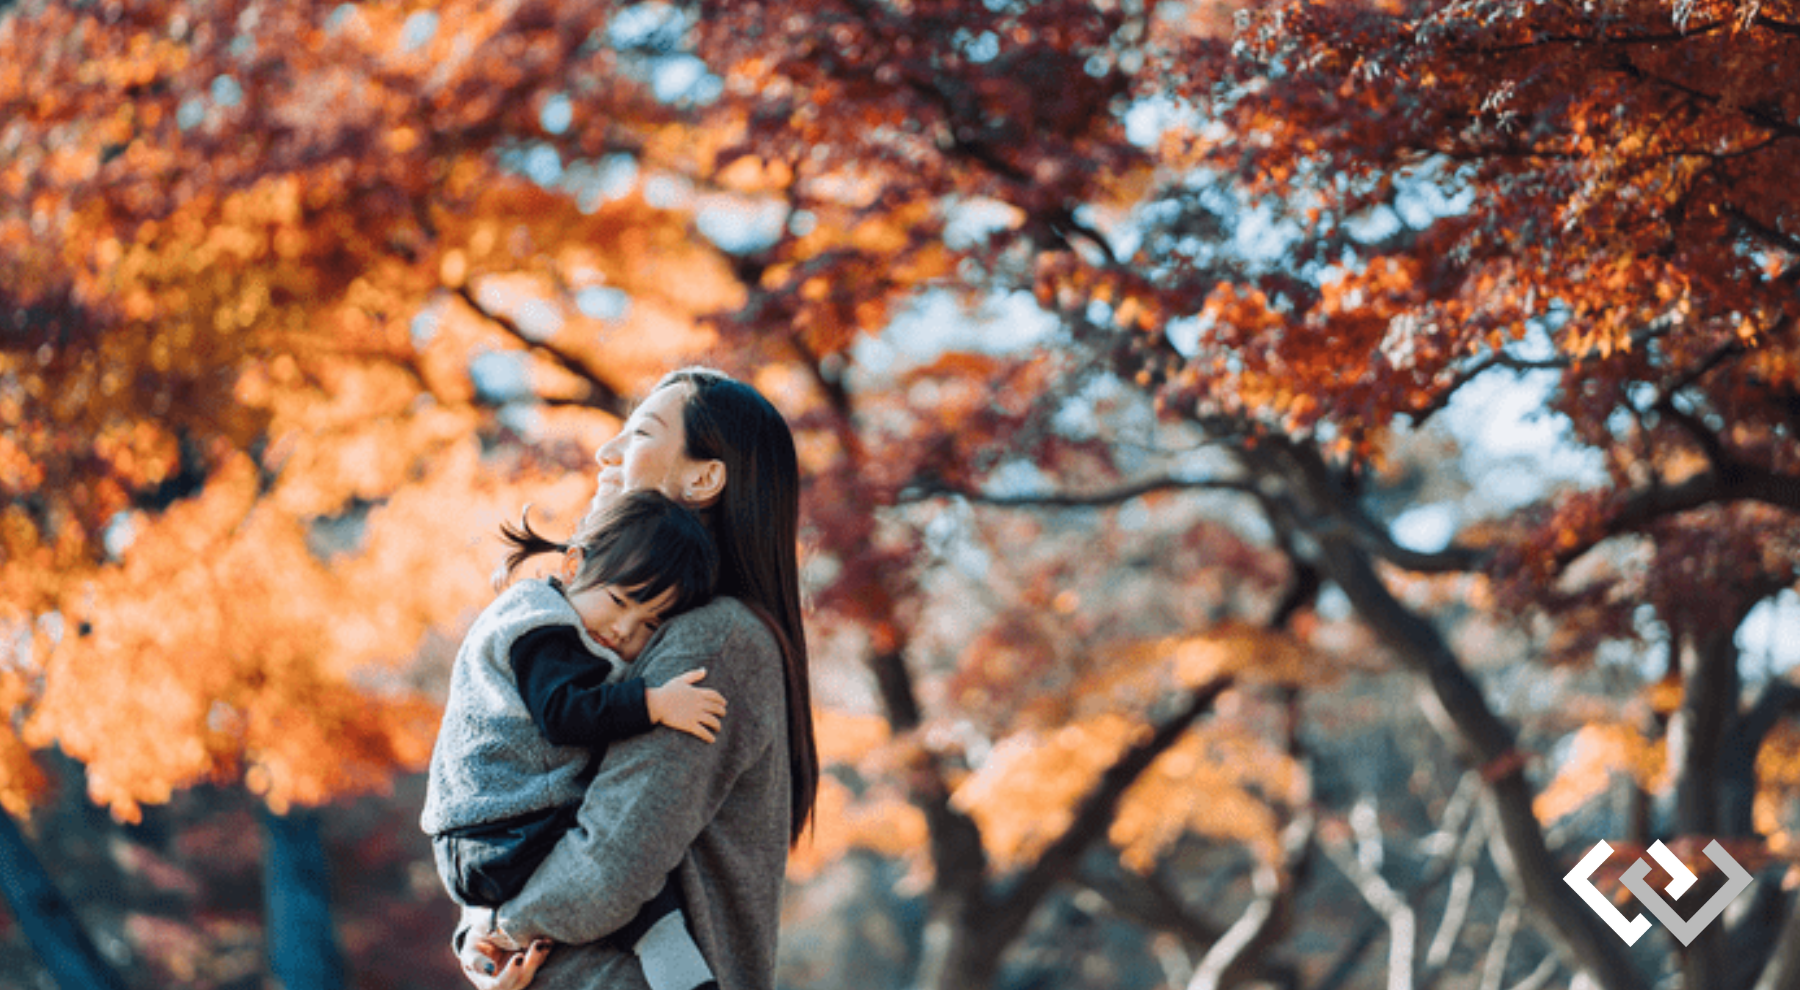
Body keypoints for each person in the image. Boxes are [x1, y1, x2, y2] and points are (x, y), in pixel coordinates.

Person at [453, 367, 820, 990]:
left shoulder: (716, 639)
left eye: (642, 432)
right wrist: (483, 932)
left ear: (704, 477)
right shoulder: (607, 632)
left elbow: (610, 864)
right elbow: (529, 798)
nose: (606, 451)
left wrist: (500, 929)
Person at [423, 489, 729, 990]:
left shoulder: (573, 624)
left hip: (490, 838)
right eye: (619, 602)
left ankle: (485, 942)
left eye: (649, 623)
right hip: (498, 831)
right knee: (624, 856)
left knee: (628, 864)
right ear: (572, 564)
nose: (624, 628)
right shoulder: (539, 626)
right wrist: (653, 703)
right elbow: (563, 715)